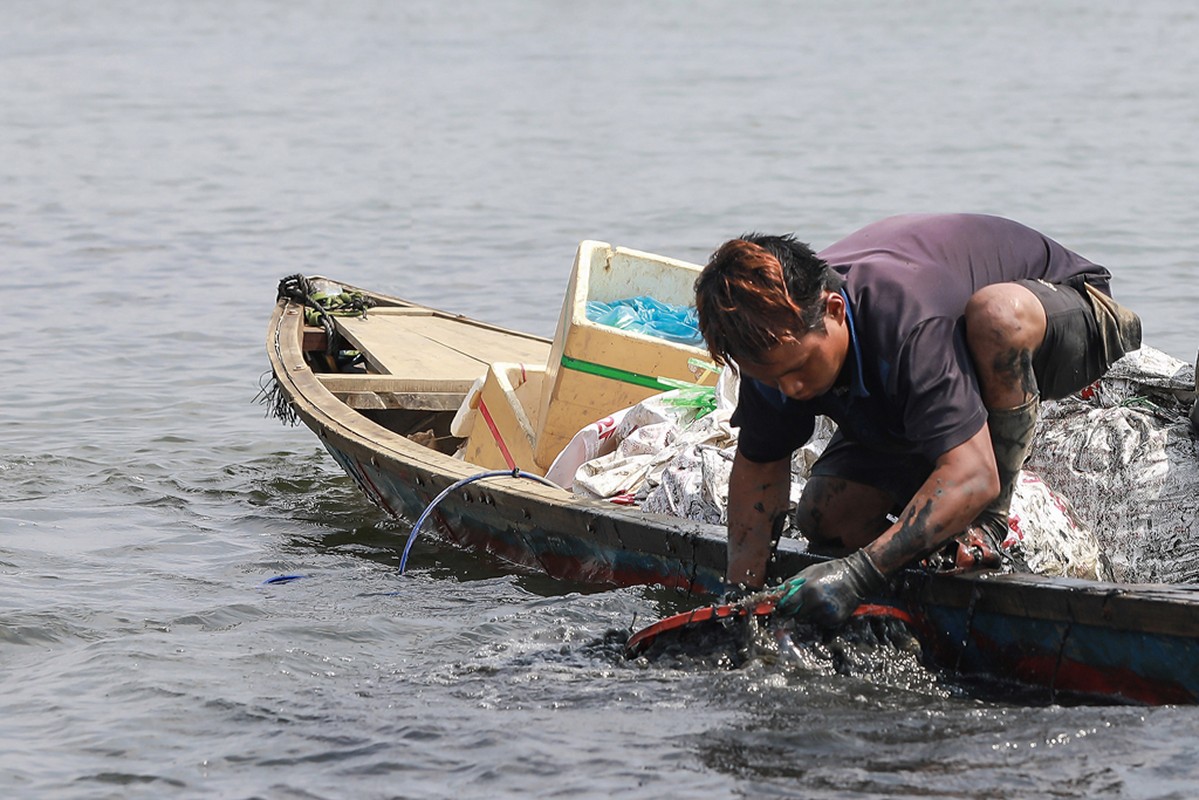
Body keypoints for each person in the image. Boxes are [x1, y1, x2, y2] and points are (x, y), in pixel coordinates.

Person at [694, 213, 1142, 627]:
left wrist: (859, 574)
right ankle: (925, 574)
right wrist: (741, 602)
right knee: (827, 517)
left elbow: (973, 475)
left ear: (833, 311)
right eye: (771, 378)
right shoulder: (772, 350)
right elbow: (759, 468)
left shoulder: (906, 321)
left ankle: (989, 523)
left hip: (1068, 310)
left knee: (997, 317)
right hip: (923, 370)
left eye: (799, 369)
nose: (789, 389)